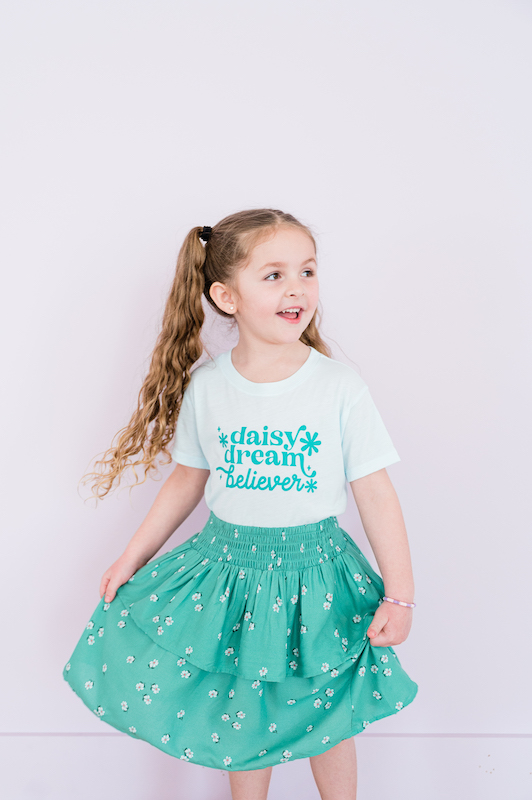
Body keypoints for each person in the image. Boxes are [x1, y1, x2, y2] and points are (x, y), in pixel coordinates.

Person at [63, 208, 418, 800]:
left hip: (318, 576)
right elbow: (187, 479)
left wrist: (400, 594)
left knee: (329, 715)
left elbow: (376, 492)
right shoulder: (209, 387)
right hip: (230, 574)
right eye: (274, 275)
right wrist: (132, 557)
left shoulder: (339, 386)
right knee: (242, 710)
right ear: (226, 297)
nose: (297, 288)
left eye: (307, 271)